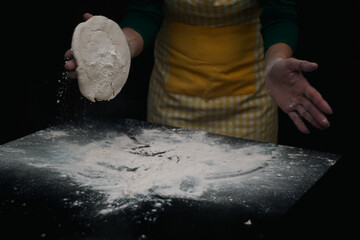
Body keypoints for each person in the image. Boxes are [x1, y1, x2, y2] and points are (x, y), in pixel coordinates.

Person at [64, 0, 332, 144]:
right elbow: (145, 12)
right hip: (173, 100)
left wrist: (276, 62)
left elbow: (280, 15)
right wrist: (117, 46)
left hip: (247, 102)